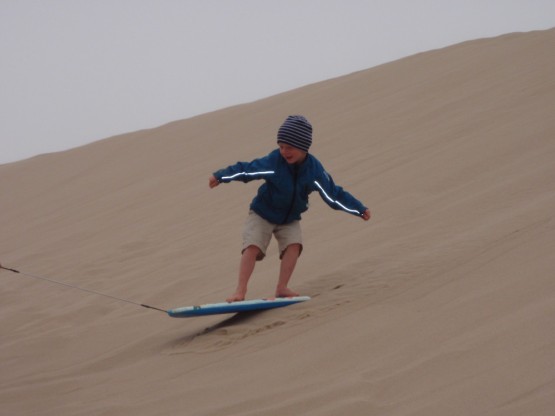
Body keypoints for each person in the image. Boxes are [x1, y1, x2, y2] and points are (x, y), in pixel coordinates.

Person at [209, 115, 370, 302]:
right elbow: (247, 170)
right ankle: (240, 291)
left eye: (289, 147)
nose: (284, 151)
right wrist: (220, 177)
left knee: (294, 245)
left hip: (290, 218)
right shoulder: (274, 162)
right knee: (252, 246)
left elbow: (333, 194)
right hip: (263, 213)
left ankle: (282, 288)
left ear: (303, 147)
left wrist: (358, 209)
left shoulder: (314, 171)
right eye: (281, 146)